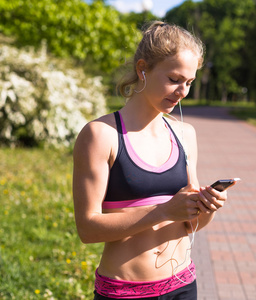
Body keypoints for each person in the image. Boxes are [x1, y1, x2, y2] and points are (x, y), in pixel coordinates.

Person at [72, 21, 229, 300]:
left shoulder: (185, 133)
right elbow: (87, 228)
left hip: (183, 285)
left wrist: (207, 208)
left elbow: (190, 224)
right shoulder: (101, 135)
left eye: (189, 82)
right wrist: (164, 211)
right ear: (142, 69)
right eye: (174, 79)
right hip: (124, 292)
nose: (182, 91)